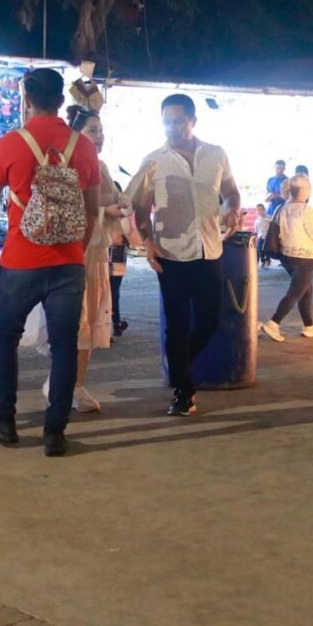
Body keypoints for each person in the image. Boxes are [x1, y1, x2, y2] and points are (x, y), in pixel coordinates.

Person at [0, 68, 101, 456]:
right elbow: (91, 210)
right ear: (61, 101)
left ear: (26, 99)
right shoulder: (84, 146)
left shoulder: (11, 143)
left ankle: (4, 423)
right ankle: (54, 433)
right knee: (64, 346)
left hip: (19, 260)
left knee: (5, 339)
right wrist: (75, 247)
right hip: (68, 264)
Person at [131, 93, 241, 417]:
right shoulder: (154, 161)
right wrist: (148, 241)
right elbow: (141, 208)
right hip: (171, 254)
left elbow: (231, 192)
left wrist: (232, 209)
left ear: (193, 121)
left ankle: (178, 366)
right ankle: (184, 390)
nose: (173, 127)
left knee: (210, 321)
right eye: (167, 121)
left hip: (209, 249)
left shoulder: (216, 154)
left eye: (179, 121)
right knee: (176, 325)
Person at [61, 105, 125, 412]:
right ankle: (66, 385)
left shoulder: (102, 165)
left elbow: (111, 201)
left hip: (98, 251)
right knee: (77, 322)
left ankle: (73, 385)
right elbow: (74, 207)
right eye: (92, 130)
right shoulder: (67, 166)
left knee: (90, 321)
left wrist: (122, 205)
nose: (99, 136)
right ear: (76, 135)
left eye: (101, 130)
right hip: (77, 252)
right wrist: (106, 210)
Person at [259, 176, 313, 342]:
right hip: (305, 257)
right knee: (295, 291)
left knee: (305, 290)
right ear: (303, 191)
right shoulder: (307, 211)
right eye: (309, 187)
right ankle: (274, 323)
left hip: (287, 256)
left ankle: (309, 326)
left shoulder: (282, 208)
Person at [255, 203, 272, 268]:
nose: (259, 211)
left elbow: (273, 226)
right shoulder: (257, 220)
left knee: (267, 249)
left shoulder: (269, 217)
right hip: (260, 236)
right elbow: (256, 229)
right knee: (260, 249)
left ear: (264, 209)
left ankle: (268, 259)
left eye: (260, 209)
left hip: (267, 236)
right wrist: (256, 236)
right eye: (258, 210)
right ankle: (262, 261)